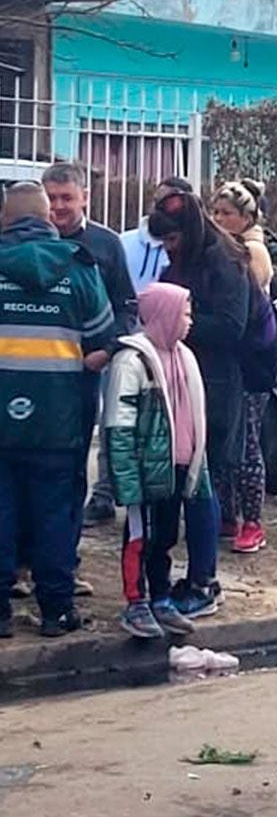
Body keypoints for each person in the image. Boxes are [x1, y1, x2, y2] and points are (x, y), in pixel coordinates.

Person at [0, 181, 116, 639]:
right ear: (48, 218)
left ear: (6, 219)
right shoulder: (79, 269)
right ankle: (56, 609)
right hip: (60, 419)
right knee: (54, 515)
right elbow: (102, 340)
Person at [148, 189, 249, 619]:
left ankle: (204, 580)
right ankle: (187, 576)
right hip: (181, 383)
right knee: (179, 483)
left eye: (172, 240)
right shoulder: (185, 261)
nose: (167, 249)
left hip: (213, 388)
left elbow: (232, 326)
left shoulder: (225, 263)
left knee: (199, 485)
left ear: (187, 233)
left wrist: (177, 323)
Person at [104, 283, 213, 641]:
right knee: (140, 537)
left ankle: (161, 597)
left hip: (178, 465)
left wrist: (197, 466)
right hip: (145, 470)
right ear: (165, 315)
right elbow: (119, 426)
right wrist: (126, 479)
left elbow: (195, 418)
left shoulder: (185, 357)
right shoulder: (133, 361)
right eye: (185, 314)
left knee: (166, 536)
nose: (190, 321)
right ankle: (136, 602)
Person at [43, 164, 139, 530]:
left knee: (74, 459)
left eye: (66, 198)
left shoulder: (106, 244)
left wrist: (107, 351)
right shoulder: (26, 242)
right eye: (51, 198)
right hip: (34, 369)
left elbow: (126, 306)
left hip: (85, 370)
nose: (58, 206)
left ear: (85, 197)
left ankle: (66, 547)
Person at [209, 180, 274, 555]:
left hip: (249, 360)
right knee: (221, 438)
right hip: (225, 360)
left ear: (246, 217)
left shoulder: (252, 252)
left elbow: (244, 302)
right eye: (215, 212)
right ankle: (226, 513)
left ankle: (253, 521)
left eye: (227, 213)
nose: (219, 219)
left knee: (248, 442)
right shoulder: (219, 250)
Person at [121, 177, 195, 294]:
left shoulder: (190, 250)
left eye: (166, 203)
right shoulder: (122, 243)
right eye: (156, 201)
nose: (157, 208)